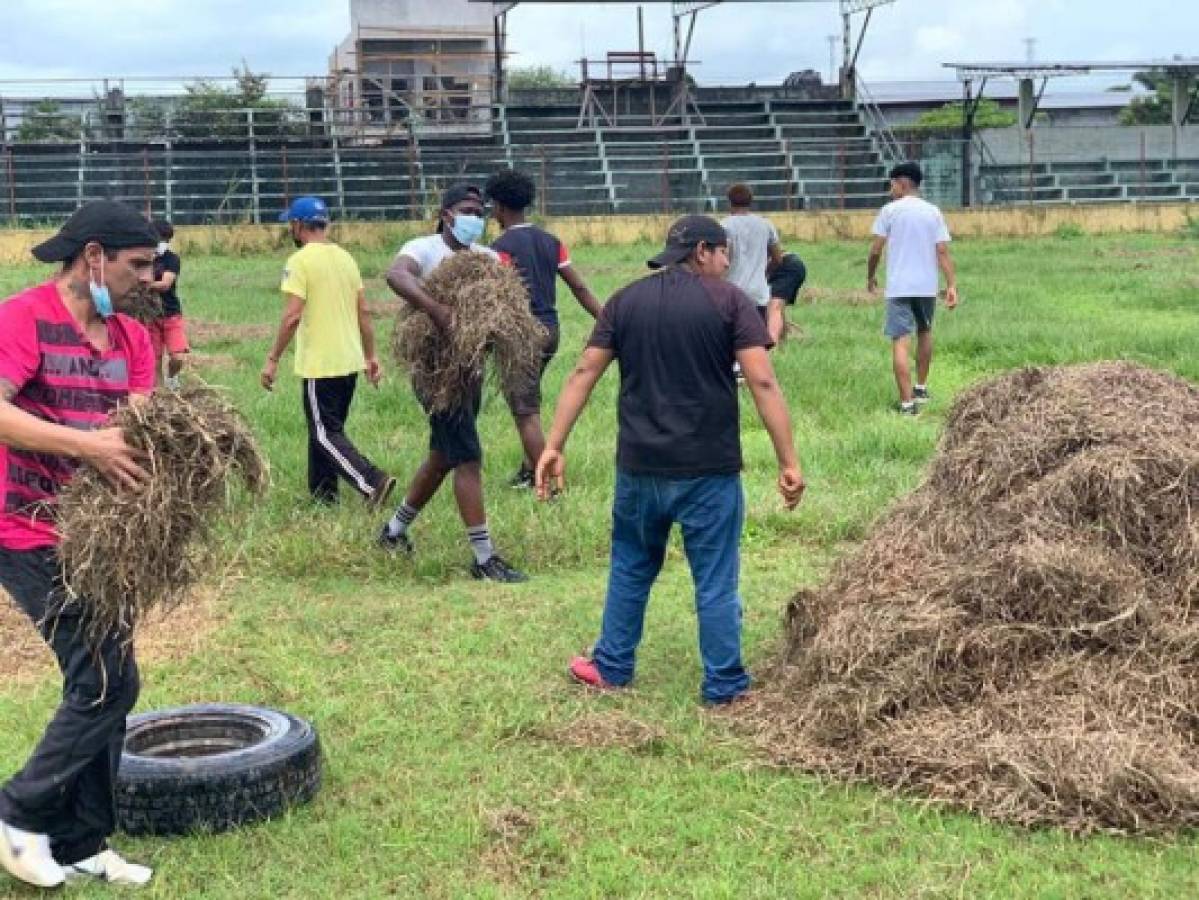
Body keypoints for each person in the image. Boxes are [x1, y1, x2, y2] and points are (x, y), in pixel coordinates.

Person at [536, 216, 805, 704]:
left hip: (639, 468)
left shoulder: (624, 300)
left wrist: (553, 444)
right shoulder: (730, 303)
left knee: (631, 565)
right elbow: (763, 382)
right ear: (701, 250)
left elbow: (583, 371)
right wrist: (788, 460)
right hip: (709, 471)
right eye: (723, 253)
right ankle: (724, 684)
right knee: (716, 578)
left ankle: (612, 665)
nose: (727, 262)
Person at [0, 200, 159, 888]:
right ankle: (17, 814)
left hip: (98, 538)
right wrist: (85, 446)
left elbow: (143, 426)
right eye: (139, 264)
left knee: (107, 677)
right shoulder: (24, 316)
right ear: (94, 256)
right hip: (23, 527)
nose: (151, 278)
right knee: (105, 679)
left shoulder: (131, 339)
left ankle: (83, 839)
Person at [378, 184, 527, 583]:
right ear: (446, 215)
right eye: (466, 210)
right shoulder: (424, 249)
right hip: (435, 373)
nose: (474, 218)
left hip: (470, 371)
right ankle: (483, 558)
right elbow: (396, 274)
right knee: (468, 457)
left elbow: (506, 308)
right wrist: (437, 310)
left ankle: (393, 531)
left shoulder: (488, 257)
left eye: (480, 211)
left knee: (444, 454)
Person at [261, 196, 394, 506]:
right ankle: (324, 496)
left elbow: (292, 316)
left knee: (324, 433)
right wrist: (371, 356)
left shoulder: (300, 261)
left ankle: (372, 481)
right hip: (349, 360)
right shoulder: (346, 258)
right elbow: (364, 312)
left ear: (298, 225)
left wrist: (272, 359)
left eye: (290, 224)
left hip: (321, 364)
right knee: (325, 429)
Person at [484, 169, 602, 489]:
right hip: (551, 331)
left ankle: (545, 482)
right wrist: (608, 319)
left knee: (525, 411)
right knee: (530, 399)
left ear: (498, 207)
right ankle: (527, 471)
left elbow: (498, 297)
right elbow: (578, 287)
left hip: (520, 335)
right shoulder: (551, 241)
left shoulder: (499, 247)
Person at [867, 161, 959, 415]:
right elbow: (942, 251)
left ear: (902, 183)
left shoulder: (889, 211)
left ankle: (907, 404)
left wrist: (871, 276)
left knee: (900, 341)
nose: (890, 190)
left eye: (892, 184)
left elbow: (876, 249)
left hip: (899, 287)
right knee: (925, 331)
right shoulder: (933, 212)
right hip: (926, 286)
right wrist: (951, 285)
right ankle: (921, 387)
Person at [721, 183, 785, 345]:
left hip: (732, 293)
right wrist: (763, 272)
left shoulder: (724, 226)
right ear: (751, 201)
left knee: (731, 341)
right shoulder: (766, 225)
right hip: (759, 294)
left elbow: (723, 259)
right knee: (754, 343)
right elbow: (778, 258)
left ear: (729, 202)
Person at [146, 218, 189, 388]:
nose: (160, 243)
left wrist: (143, 286)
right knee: (154, 359)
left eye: (164, 239)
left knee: (177, 356)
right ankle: (159, 393)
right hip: (150, 315)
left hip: (171, 314)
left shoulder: (172, 259)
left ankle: (172, 377)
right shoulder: (144, 259)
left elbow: (165, 284)